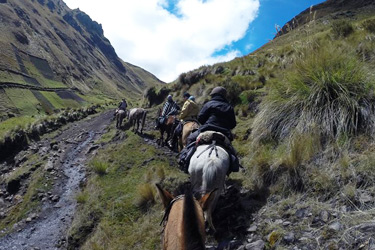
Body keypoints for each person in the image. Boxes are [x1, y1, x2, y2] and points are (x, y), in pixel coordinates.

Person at [179, 86, 241, 174]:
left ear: (213, 95)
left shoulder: (209, 104)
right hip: (224, 133)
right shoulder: (229, 107)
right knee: (231, 151)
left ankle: (184, 161)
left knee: (190, 139)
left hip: (207, 129)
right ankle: (234, 166)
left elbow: (200, 118)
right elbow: (233, 124)